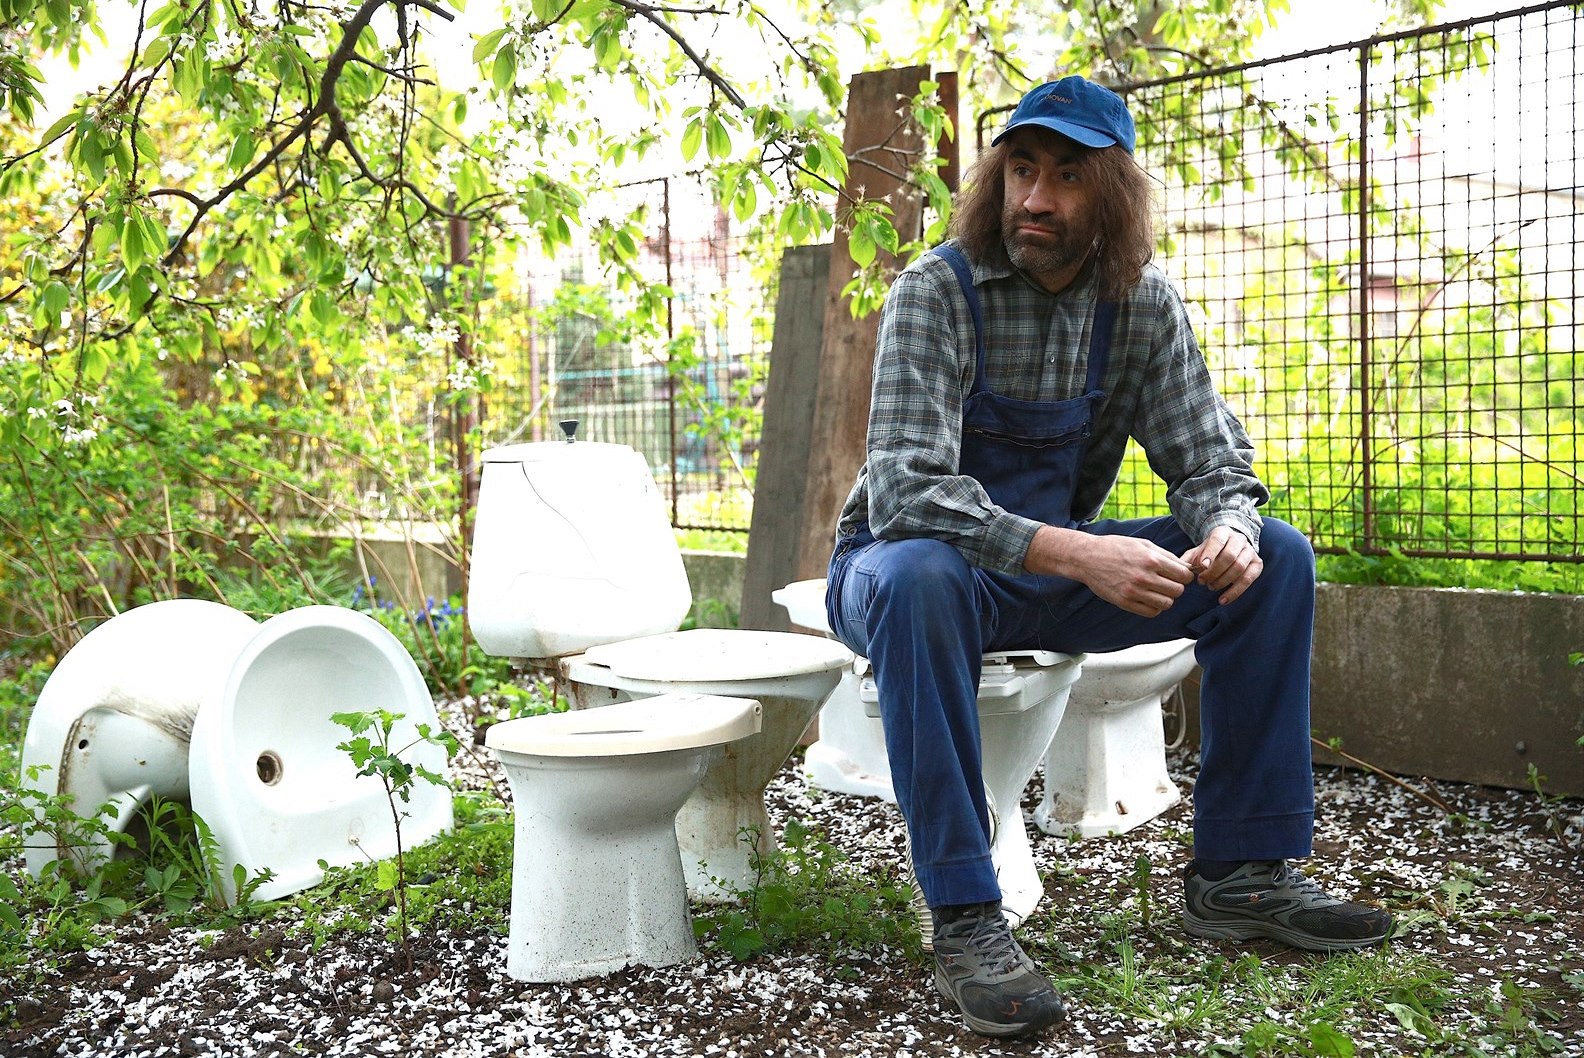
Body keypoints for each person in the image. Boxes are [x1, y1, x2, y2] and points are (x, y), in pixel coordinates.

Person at [822, 75, 1393, 1039]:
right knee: (921, 576)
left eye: (1068, 177)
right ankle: (965, 915)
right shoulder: (937, 291)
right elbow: (909, 492)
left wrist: (1226, 530)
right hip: (903, 569)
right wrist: (1080, 554)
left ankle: (1241, 875)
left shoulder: (1140, 305)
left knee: (1278, 558)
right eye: (1022, 170)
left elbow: (1210, 461)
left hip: (1044, 577)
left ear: (1114, 195)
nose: (1036, 198)